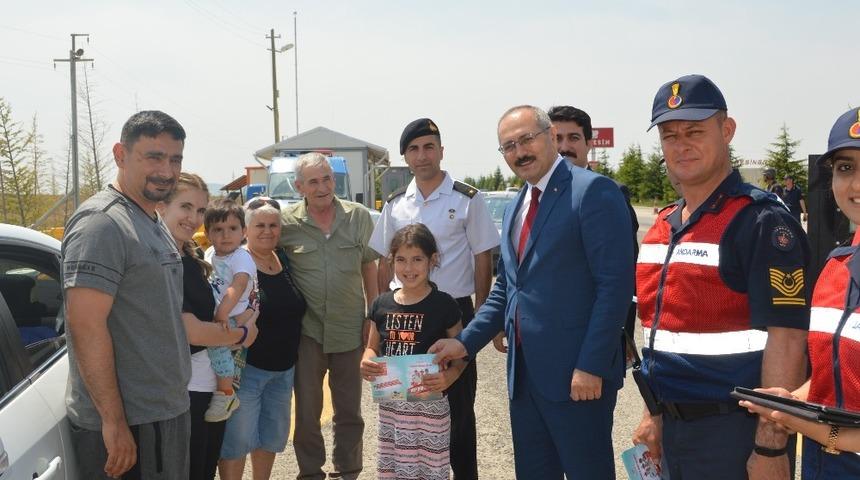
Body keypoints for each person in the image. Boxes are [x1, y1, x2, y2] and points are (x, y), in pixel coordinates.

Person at [430, 105, 634, 479]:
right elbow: (507, 288)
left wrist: (590, 365)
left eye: (526, 139)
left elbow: (614, 288)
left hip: (578, 378)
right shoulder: (515, 206)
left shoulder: (592, 192)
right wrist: (464, 342)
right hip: (524, 379)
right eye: (508, 146)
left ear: (550, 137)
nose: (519, 152)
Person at [632, 74, 810, 480]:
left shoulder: (761, 221)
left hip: (734, 433)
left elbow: (788, 338)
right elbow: (661, 333)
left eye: (695, 131)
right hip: (673, 429)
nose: (682, 145)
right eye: (670, 135)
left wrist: (770, 445)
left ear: (727, 131)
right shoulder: (664, 225)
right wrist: (652, 413)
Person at [62, 110, 191, 479]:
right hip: (131, 425)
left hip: (162, 413)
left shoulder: (149, 217)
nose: (167, 170)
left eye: (175, 159)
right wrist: (114, 422)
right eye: (153, 157)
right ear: (120, 154)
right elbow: (85, 325)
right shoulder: (102, 224)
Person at [369, 118, 499, 479]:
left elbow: (482, 257)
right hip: (403, 313)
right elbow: (384, 260)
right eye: (414, 149)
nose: (422, 155)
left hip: (451, 313)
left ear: (441, 151)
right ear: (405, 157)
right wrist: (382, 314)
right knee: (402, 408)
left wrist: (482, 319)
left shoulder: (467, 198)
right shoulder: (395, 204)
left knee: (456, 410)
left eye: (429, 147)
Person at [740, 107, 860, 477]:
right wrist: (793, 400)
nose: (856, 185)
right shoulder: (834, 268)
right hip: (823, 466)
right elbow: (832, 375)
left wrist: (808, 425)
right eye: (846, 168)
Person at [281, 152, 380, 480]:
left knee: (349, 411)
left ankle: (348, 470)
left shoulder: (358, 217)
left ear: (334, 181)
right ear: (299, 187)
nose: (322, 187)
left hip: (350, 329)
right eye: (313, 181)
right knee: (307, 413)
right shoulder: (286, 225)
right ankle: (310, 473)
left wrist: (372, 314)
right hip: (307, 333)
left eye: (327, 179)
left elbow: (369, 264)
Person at [156, 172, 259, 480]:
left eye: (200, 211)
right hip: (183, 391)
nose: (194, 218)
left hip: (208, 385)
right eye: (185, 207)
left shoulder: (192, 256)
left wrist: (245, 321)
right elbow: (193, 331)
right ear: (162, 206)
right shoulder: (161, 258)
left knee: (204, 468)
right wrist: (242, 334)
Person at [362, 223, 467, 480]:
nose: (409, 268)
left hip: (429, 409)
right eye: (401, 260)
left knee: (430, 470)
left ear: (433, 260)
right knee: (395, 468)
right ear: (391, 262)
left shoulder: (445, 305)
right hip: (393, 407)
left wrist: (451, 376)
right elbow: (371, 348)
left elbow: (463, 355)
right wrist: (366, 362)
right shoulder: (381, 303)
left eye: (417, 259)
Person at [218, 197, 307, 480]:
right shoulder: (238, 262)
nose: (267, 231)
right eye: (260, 225)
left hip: (283, 371)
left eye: (273, 225)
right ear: (246, 229)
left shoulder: (284, 260)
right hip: (248, 371)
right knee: (236, 442)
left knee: (270, 438)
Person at [546, 104, 640, 357]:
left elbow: (625, 271)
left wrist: (624, 334)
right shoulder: (535, 196)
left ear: (588, 143)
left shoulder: (610, 193)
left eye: (573, 138)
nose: (564, 147)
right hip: (548, 333)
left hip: (593, 333)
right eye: (557, 138)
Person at [202, 199, 258, 422]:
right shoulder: (209, 254)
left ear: (243, 232)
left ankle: (226, 395)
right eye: (218, 230)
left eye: (232, 229)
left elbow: (239, 285)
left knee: (217, 348)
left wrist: (222, 313)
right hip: (221, 313)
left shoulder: (241, 257)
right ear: (207, 233)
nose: (225, 235)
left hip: (232, 315)